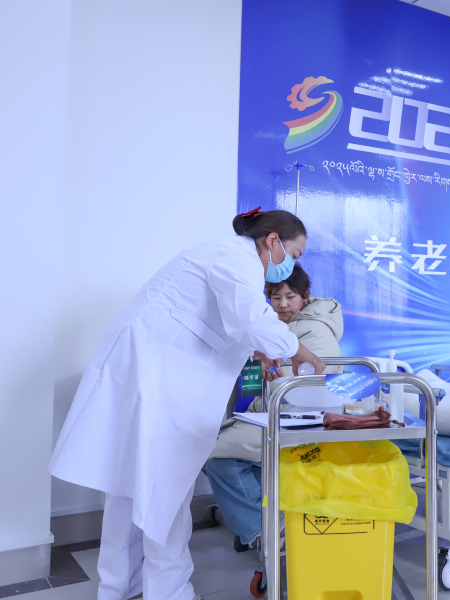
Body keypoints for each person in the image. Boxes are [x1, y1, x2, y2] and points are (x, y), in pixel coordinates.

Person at [48, 209, 326, 600]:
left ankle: (119, 587)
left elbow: (224, 322)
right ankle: (169, 592)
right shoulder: (239, 259)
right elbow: (248, 319)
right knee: (166, 491)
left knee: (129, 489)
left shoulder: (224, 254)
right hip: (162, 382)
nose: (290, 266)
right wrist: (296, 349)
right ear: (273, 241)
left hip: (151, 375)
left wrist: (259, 348)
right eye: (293, 255)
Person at [202, 264, 343, 552]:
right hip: (273, 416)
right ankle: (269, 517)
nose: (282, 304)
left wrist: (269, 378)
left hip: (299, 420)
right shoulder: (276, 327)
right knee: (205, 446)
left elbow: (297, 389)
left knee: (216, 455)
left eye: (290, 297)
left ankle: (264, 531)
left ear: (305, 296)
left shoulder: (315, 329)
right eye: (276, 297)